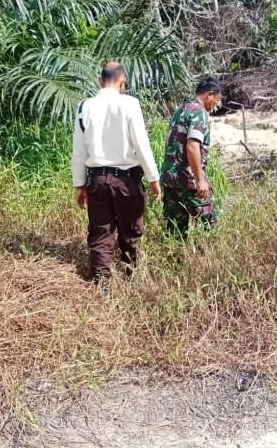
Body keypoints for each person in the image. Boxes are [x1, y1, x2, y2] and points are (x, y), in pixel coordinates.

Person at [72, 62, 162, 293]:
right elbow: (142, 143)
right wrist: (153, 178)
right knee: (130, 229)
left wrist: (79, 184)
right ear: (123, 83)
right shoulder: (130, 104)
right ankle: (131, 274)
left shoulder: (85, 106)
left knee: (101, 232)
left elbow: (79, 150)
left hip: (97, 181)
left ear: (100, 81)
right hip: (127, 180)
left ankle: (102, 284)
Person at [161, 77, 223, 236]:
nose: (215, 105)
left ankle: (177, 260)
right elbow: (192, 146)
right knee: (209, 226)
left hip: (170, 181)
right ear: (209, 94)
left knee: (175, 232)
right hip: (189, 181)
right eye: (216, 100)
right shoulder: (199, 113)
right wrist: (200, 180)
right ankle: (206, 259)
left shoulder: (179, 110)